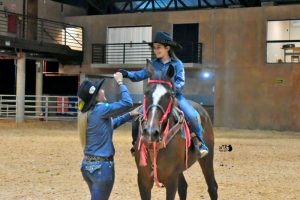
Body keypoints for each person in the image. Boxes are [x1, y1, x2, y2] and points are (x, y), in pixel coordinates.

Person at [119, 31, 209, 158]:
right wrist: (126, 74)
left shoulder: (177, 64)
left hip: (173, 96)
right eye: (154, 48)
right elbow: (139, 74)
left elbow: (180, 82)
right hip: (155, 98)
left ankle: (199, 142)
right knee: (136, 118)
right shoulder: (153, 64)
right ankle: (135, 143)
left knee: (192, 116)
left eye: (159, 47)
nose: (156, 50)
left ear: (167, 48)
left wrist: (169, 90)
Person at [77, 72, 139, 200]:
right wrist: (120, 82)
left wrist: (129, 115)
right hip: (102, 168)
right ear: (96, 96)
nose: (103, 90)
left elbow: (111, 125)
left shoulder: (90, 113)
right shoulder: (101, 109)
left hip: (88, 167)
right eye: (100, 90)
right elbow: (127, 102)